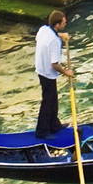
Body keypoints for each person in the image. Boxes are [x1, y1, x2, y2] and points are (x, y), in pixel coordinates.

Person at [34, 10, 71, 138]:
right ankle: (42, 131)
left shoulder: (43, 29)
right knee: (48, 102)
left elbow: (41, 38)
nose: (65, 24)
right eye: (64, 23)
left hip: (40, 68)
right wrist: (66, 72)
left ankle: (54, 125)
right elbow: (54, 64)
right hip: (47, 72)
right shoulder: (55, 41)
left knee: (53, 100)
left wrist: (61, 35)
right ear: (57, 24)